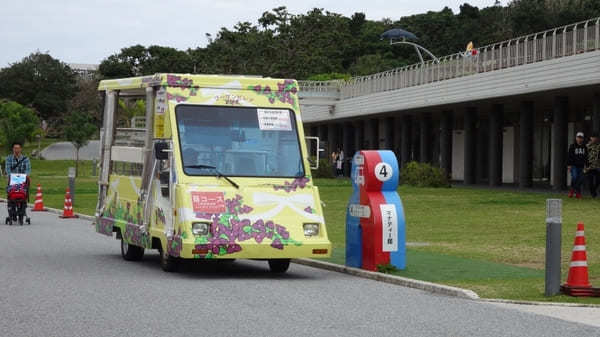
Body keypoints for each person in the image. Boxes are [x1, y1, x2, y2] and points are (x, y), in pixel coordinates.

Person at [567, 132, 587, 198]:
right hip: (574, 165)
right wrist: (569, 165)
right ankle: (574, 191)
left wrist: (586, 165)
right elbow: (569, 156)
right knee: (575, 177)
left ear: (583, 139)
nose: (579, 139)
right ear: (576, 138)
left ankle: (576, 192)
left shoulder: (585, 147)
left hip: (582, 166)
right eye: (578, 137)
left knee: (580, 179)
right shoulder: (572, 146)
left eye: (581, 138)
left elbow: (586, 157)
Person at [586, 132, 600, 198]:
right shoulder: (587, 146)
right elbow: (584, 156)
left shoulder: (599, 146)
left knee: (598, 179)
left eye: (596, 137)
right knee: (590, 181)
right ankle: (593, 194)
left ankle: (594, 190)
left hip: (597, 166)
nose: (594, 138)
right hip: (589, 166)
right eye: (593, 137)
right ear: (590, 138)